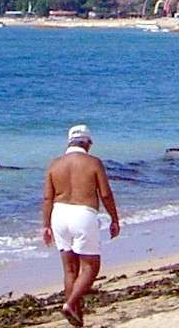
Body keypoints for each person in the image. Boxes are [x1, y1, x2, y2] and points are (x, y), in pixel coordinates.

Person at [41, 123, 121, 327]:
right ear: (87, 143)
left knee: (70, 269)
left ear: (69, 142)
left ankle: (77, 318)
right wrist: (114, 218)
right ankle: (70, 304)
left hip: (59, 215)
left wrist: (46, 226)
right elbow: (105, 194)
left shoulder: (54, 164)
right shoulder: (93, 163)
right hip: (83, 214)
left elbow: (47, 199)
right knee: (91, 266)